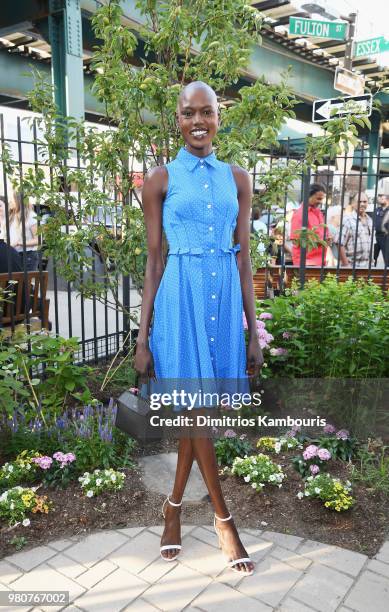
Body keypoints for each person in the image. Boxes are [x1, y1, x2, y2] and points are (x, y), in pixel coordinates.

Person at [134, 81, 263, 576]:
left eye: (206, 112)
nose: (198, 122)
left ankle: (172, 509)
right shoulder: (160, 178)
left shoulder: (238, 178)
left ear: (218, 117)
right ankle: (224, 519)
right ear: (178, 120)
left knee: (197, 417)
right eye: (189, 114)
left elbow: (245, 258)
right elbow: (153, 260)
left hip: (225, 306)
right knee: (197, 415)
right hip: (179, 305)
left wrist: (254, 330)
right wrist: (142, 338)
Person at [290, 183, 332, 266]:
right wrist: (319, 241)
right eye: (318, 198)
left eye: (321, 199)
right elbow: (295, 240)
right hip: (305, 261)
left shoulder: (318, 212)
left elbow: (325, 233)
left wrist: (328, 238)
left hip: (321, 261)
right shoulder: (299, 214)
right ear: (309, 196)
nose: (320, 202)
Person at [0, 192, 39, 271]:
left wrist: (19, 243)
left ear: (18, 200)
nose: (9, 202)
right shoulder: (11, 216)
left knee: (24, 282)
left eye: (11, 200)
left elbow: (39, 239)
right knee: (14, 282)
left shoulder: (31, 216)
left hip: (28, 256)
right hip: (13, 254)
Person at [335, 192, 373, 268]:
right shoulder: (347, 220)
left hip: (368, 266)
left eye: (364, 202)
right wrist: (346, 265)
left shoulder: (370, 220)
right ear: (353, 203)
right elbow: (338, 242)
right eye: (359, 202)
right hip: (352, 266)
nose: (362, 204)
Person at [373, 193, 389, 267]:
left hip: (385, 236)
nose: (380, 200)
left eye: (383, 199)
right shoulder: (377, 209)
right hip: (376, 236)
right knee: (373, 256)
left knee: (386, 256)